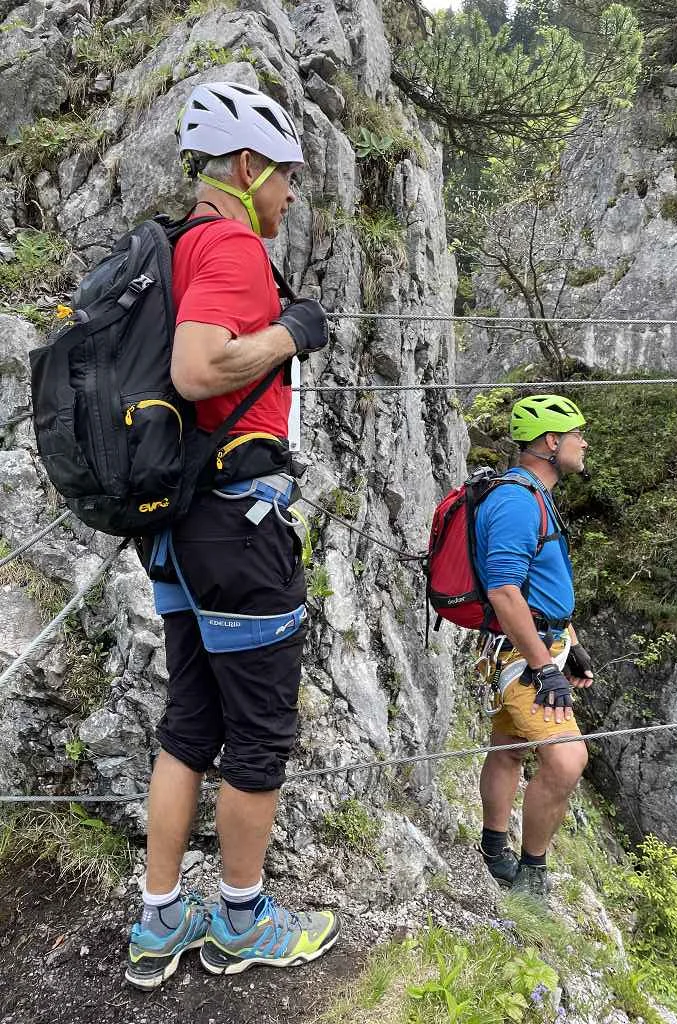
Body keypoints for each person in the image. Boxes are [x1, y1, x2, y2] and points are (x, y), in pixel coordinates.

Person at [125, 82, 339, 989]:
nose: (292, 195)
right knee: (257, 735)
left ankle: (159, 921)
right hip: (236, 530)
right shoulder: (233, 246)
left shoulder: (172, 246)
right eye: (287, 177)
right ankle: (245, 921)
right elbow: (200, 365)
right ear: (247, 169)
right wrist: (292, 333)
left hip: (177, 529)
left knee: (188, 725)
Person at [474, 394, 594, 898]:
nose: (584, 443)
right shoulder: (516, 501)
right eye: (576, 435)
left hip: (543, 644)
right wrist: (545, 668)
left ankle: (493, 846)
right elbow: (503, 591)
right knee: (567, 762)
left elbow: (540, 585)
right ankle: (532, 874)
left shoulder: (533, 496)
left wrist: (574, 645)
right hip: (523, 656)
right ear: (551, 442)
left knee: (508, 748)